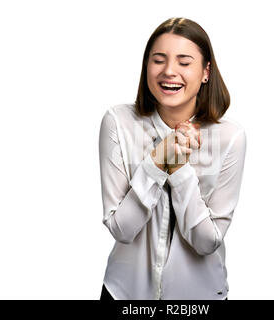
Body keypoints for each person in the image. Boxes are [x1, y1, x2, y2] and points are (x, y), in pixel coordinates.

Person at [98, 17, 247, 300]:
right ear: (146, 67)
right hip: (125, 294)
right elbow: (121, 229)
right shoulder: (118, 122)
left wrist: (177, 169)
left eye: (184, 61)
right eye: (158, 60)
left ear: (206, 72)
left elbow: (206, 242)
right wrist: (157, 164)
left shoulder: (230, 138)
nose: (169, 71)